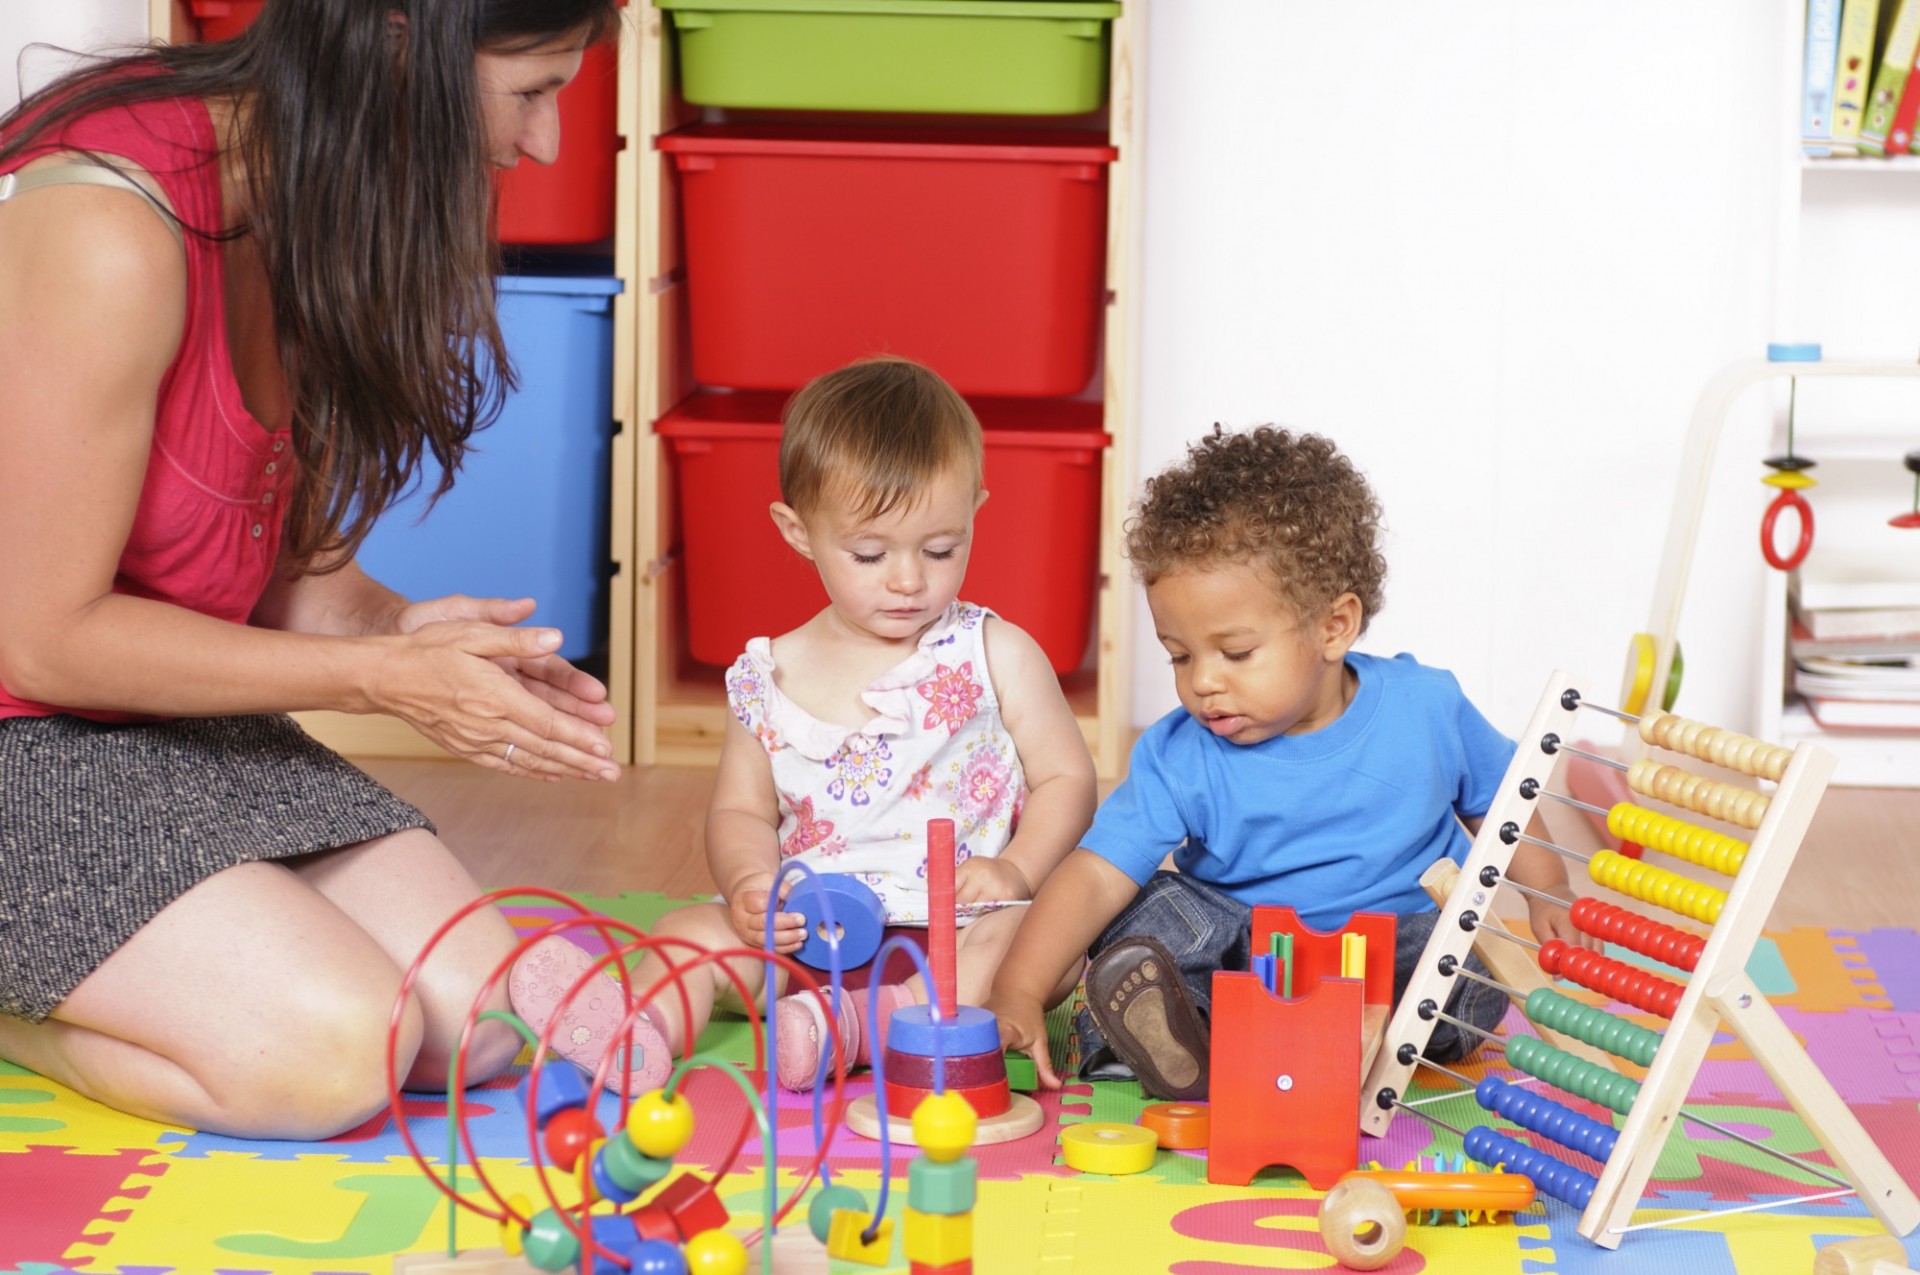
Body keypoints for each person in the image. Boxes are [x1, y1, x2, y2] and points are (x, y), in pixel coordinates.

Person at [0, 0, 624, 1140]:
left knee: (480, 1021)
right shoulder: (109, 225)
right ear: (397, 48)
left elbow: (281, 568)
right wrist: (378, 684)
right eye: (532, 88)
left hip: (152, 720)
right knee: (337, 1056)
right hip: (18, 732)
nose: (544, 145)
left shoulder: (313, 200)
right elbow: (38, 638)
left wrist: (406, 636)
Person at [510, 357, 1097, 1092]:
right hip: (811, 933)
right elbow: (740, 808)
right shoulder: (767, 676)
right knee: (688, 933)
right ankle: (640, 1030)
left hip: (952, 929)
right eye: (870, 553)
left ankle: (856, 1026)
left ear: (975, 509)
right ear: (797, 530)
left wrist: (1017, 868)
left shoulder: (993, 651)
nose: (909, 579)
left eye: (941, 549)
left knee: (1031, 946)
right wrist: (752, 883)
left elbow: (1066, 777)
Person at [985, 424, 1597, 1101]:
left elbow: (1501, 803)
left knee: (1469, 960)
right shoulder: (1181, 752)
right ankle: (1178, 1038)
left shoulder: (1426, 707)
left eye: (1235, 652)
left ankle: (1350, 1037)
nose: (1203, 682)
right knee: (1152, 913)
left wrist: (1550, 890)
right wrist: (1020, 987)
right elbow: (1096, 876)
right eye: (1180, 655)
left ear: (1334, 626)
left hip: (1393, 953)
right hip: (1250, 957)